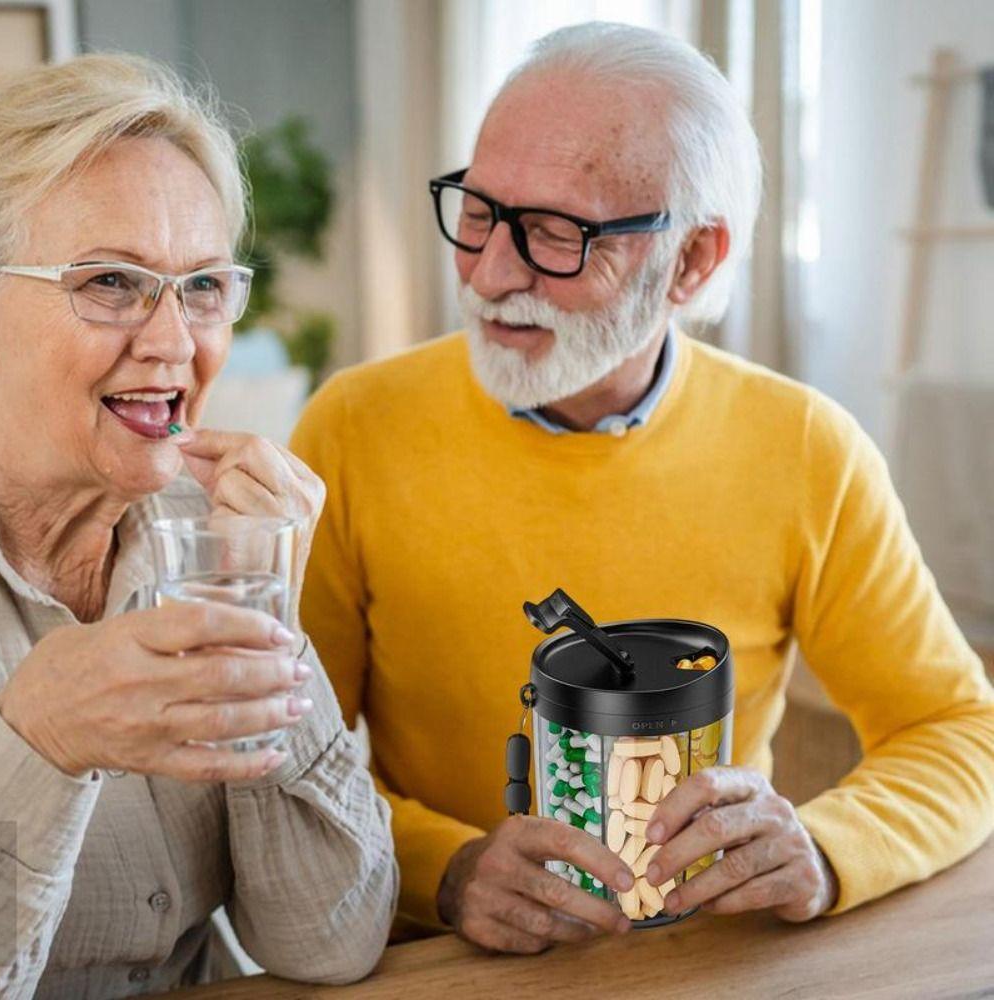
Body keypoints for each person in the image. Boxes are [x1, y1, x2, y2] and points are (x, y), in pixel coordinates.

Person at [291, 22, 994, 954]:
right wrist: (450, 870)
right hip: (443, 958)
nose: (488, 274)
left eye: (552, 233)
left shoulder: (806, 447)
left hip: (714, 963)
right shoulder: (351, 428)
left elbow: (955, 729)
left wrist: (824, 847)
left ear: (693, 260)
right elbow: (286, 767)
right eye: (477, 210)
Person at [0, 54, 396, 997]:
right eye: (111, 282)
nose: (175, 343)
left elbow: (329, 943)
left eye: (204, 285)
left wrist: (267, 610)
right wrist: (40, 737)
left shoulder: (210, 525)